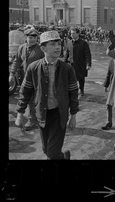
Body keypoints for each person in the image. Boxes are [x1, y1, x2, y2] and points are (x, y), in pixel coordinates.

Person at [15, 31, 79, 159]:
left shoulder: (67, 69)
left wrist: (73, 115)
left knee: (52, 153)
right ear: (43, 48)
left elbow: (73, 93)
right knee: (46, 150)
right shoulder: (33, 68)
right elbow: (25, 92)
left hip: (59, 114)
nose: (57, 47)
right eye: (53, 44)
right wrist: (20, 113)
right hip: (42, 113)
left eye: (59, 44)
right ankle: (64, 157)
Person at [10, 28, 45, 130]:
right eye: (30, 37)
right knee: (25, 97)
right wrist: (12, 73)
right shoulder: (22, 48)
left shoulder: (40, 49)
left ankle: (32, 120)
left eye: (34, 38)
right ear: (26, 38)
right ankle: (32, 117)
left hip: (38, 79)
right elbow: (17, 61)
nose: (32, 40)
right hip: (26, 78)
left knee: (34, 100)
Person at [64, 28, 92, 99]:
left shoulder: (83, 43)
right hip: (71, 64)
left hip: (80, 64)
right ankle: (72, 90)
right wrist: (64, 62)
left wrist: (88, 64)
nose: (72, 35)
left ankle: (81, 90)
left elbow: (87, 54)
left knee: (81, 78)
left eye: (73, 33)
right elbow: (67, 53)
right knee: (70, 78)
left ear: (78, 34)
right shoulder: (69, 42)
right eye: (71, 33)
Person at [101, 58, 114, 130]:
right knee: (109, 104)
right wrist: (106, 85)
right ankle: (109, 122)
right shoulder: (112, 60)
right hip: (112, 85)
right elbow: (109, 73)